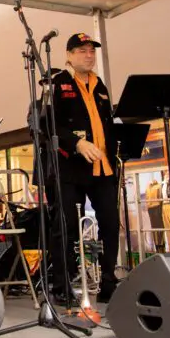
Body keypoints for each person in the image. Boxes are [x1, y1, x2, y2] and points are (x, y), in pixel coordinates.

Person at [46, 32, 120, 303]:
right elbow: (48, 124)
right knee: (65, 226)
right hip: (71, 168)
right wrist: (77, 143)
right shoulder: (58, 84)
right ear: (69, 55)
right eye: (82, 51)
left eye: (91, 51)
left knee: (110, 223)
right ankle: (62, 285)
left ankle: (108, 281)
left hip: (103, 168)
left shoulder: (100, 86)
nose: (89, 56)